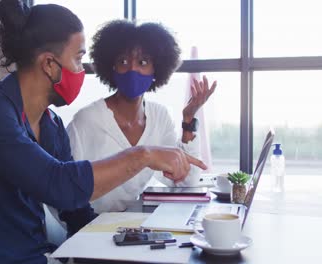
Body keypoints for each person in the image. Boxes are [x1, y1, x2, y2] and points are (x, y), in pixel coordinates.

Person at [0, 1, 206, 263]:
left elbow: (76, 211)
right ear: (49, 64)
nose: (81, 70)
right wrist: (142, 155)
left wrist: (130, 241)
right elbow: (59, 186)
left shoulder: (50, 125)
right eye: (78, 58)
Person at [66, 20, 217, 213]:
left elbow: (185, 182)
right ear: (112, 67)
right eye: (123, 61)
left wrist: (188, 120)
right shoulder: (86, 121)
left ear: (157, 69)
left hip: (133, 230)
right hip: (90, 230)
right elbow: (64, 192)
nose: (132, 70)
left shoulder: (160, 117)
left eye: (143, 62)